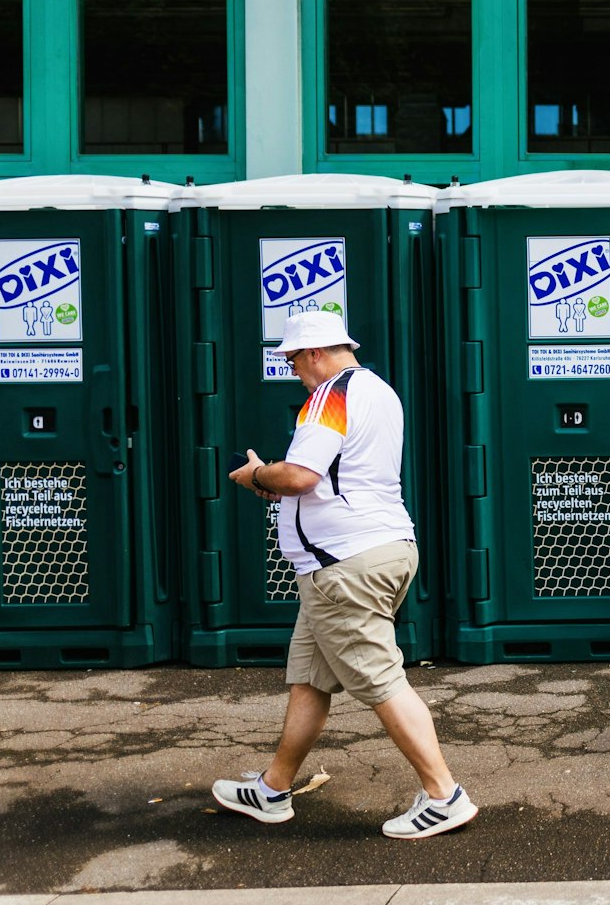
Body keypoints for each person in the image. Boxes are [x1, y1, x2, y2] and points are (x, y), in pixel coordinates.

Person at [216, 311, 477, 839]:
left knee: (382, 682)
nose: (293, 370)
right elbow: (332, 478)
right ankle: (272, 790)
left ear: (314, 353)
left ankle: (443, 795)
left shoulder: (329, 395)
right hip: (371, 552)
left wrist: (257, 475)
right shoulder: (379, 391)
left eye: (293, 360)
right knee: (310, 680)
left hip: (344, 568)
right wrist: (282, 485)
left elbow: (301, 475)